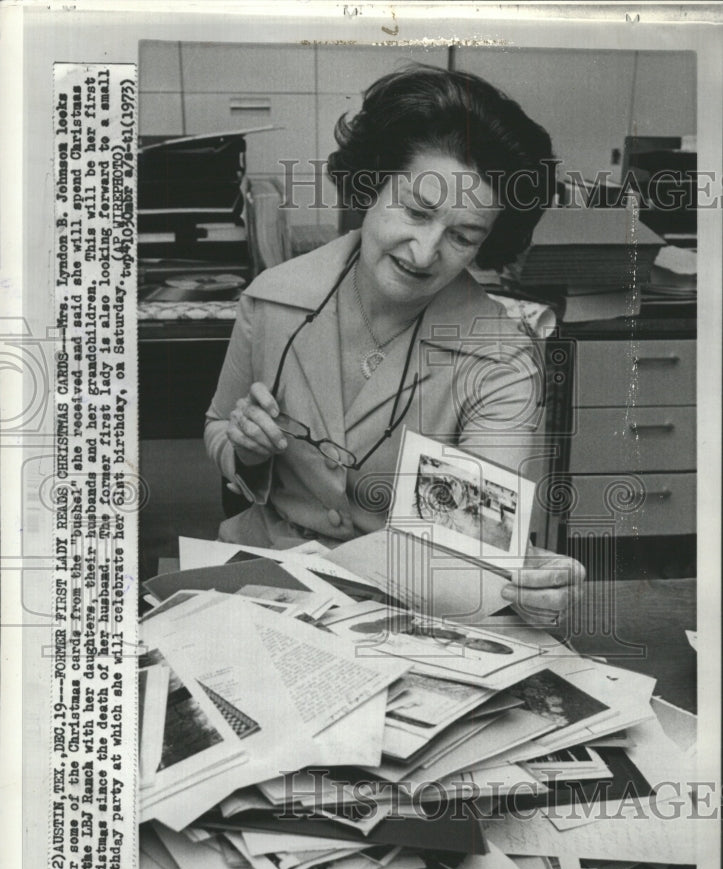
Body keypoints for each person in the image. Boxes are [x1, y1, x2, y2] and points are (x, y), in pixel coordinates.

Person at [205, 64, 585, 627]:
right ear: (371, 186)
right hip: (262, 575)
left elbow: (470, 542)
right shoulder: (272, 300)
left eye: (462, 235)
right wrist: (248, 452)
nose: (426, 252)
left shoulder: (501, 359)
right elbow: (217, 425)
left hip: (408, 600)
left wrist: (532, 584)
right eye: (416, 210)